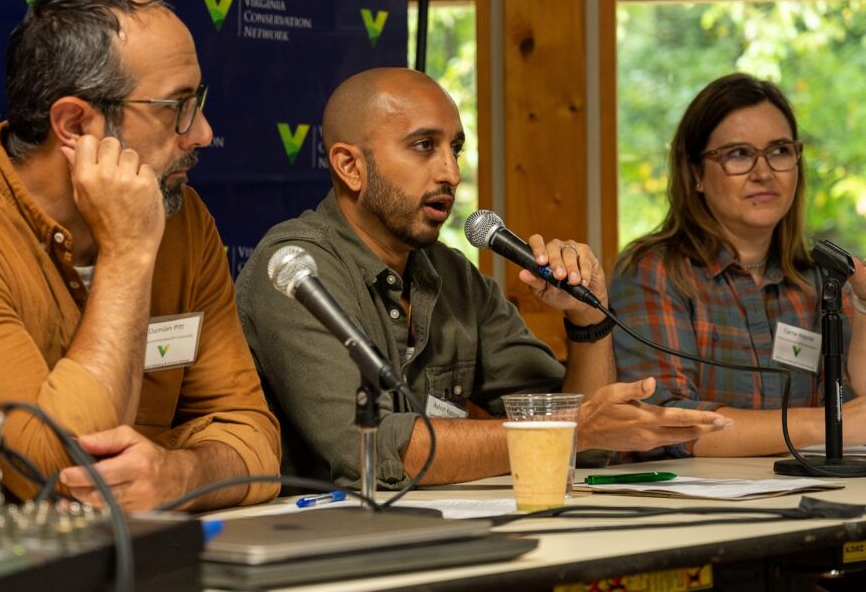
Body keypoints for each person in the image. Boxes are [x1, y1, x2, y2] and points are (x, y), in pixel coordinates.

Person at [0, 0, 281, 511]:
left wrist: (179, 473)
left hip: (109, 557)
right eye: (177, 107)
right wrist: (127, 254)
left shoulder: (183, 222)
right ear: (75, 124)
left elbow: (253, 437)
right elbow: (58, 473)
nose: (203, 133)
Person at [235, 67, 730, 489]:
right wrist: (576, 428)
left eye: (455, 149)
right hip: (316, 548)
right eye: (424, 146)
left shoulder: (452, 274)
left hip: (447, 530)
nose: (450, 172)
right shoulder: (296, 269)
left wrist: (586, 317)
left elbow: (576, 429)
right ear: (350, 166)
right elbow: (372, 450)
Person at [611, 72, 866, 459]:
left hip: (809, 494)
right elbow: (663, 422)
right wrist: (825, 425)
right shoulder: (653, 271)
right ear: (695, 173)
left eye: (779, 150)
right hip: (692, 510)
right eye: (739, 154)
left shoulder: (820, 278)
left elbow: (855, 399)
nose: (763, 173)